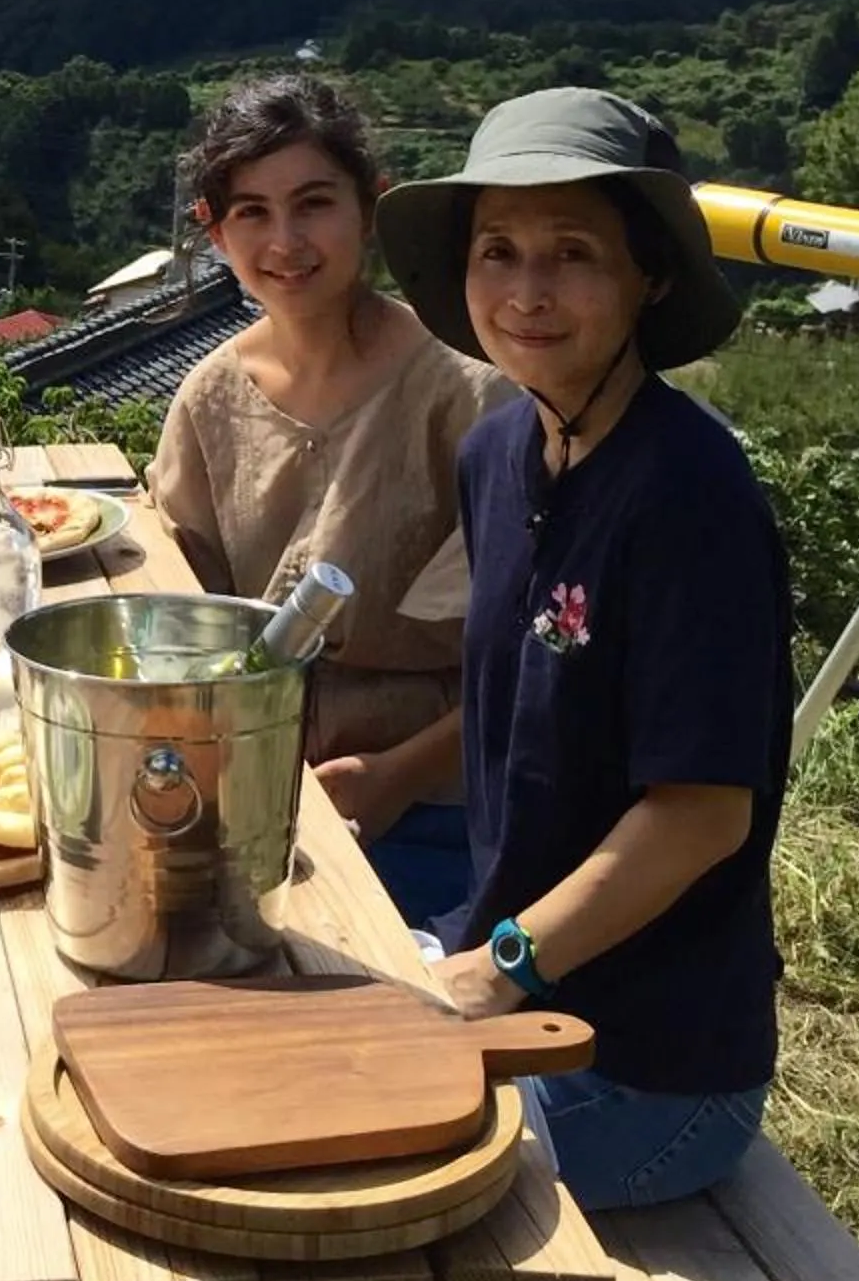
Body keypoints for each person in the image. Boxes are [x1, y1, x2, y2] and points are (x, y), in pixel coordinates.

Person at [377, 88, 791, 1212]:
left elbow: (703, 813)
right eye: (497, 250)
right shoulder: (501, 446)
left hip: (643, 1072)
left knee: (321, 1151)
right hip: (510, 977)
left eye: (574, 255)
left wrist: (497, 968)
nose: (526, 292)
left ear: (648, 275)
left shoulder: (689, 495)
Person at [149, 74, 510, 927]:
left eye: (314, 204)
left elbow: (529, 662)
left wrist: (396, 778)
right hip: (252, 792)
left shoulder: (466, 389)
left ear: (370, 206)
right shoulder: (209, 398)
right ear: (215, 229)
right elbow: (179, 614)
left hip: (442, 808)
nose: (286, 241)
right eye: (252, 213)